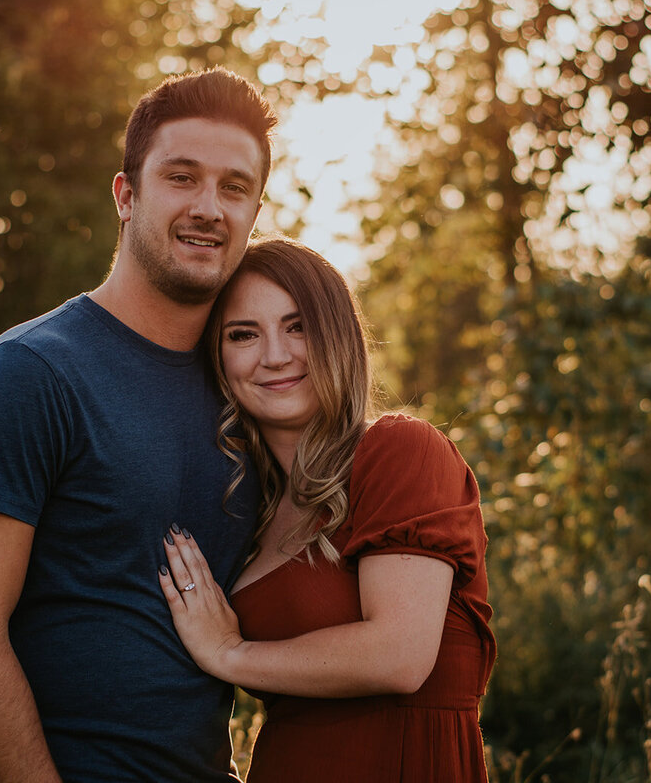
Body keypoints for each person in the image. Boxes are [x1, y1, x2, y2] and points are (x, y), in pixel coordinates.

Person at [0, 68, 278, 782]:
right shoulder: (30, 374)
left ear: (254, 210)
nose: (209, 207)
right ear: (126, 194)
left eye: (234, 187)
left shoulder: (248, 387)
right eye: (181, 177)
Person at [158, 236, 497, 782]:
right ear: (218, 359)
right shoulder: (249, 508)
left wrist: (230, 654)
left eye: (298, 326)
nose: (275, 355)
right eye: (243, 335)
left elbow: (399, 657)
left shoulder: (400, 450)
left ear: (339, 335)